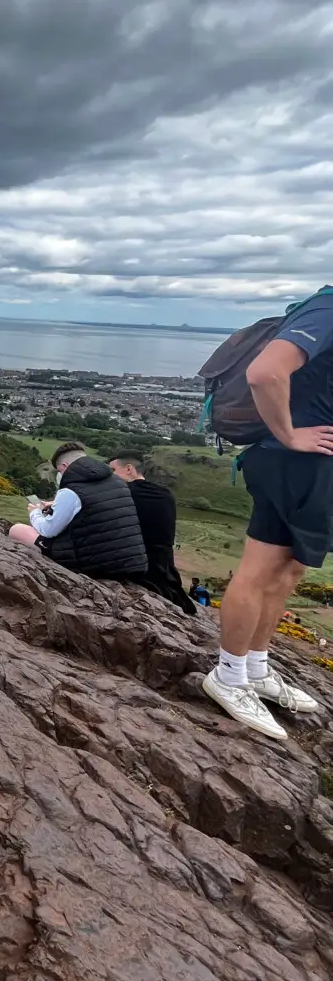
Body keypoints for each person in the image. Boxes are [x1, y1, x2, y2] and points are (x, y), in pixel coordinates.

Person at [201, 290, 332, 739]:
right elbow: (264, 373)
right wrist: (291, 435)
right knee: (260, 573)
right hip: (293, 463)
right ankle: (229, 676)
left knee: (286, 572)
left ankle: (255, 667)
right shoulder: (329, 308)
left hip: (307, 467)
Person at [8, 442, 148, 581]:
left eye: (59, 471)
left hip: (96, 566)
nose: (60, 475)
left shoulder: (71, 489)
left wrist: (35, 512)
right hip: (132, 564)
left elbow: (48, 530)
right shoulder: (118, 482)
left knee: (17, 530)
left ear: (64, 466)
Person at [107, 451, 196, 615]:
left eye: (112, 470)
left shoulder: (124, 494)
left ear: (129, 469)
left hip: (138, 569)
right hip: (166, 570)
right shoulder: (166, 495)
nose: (110, 476)